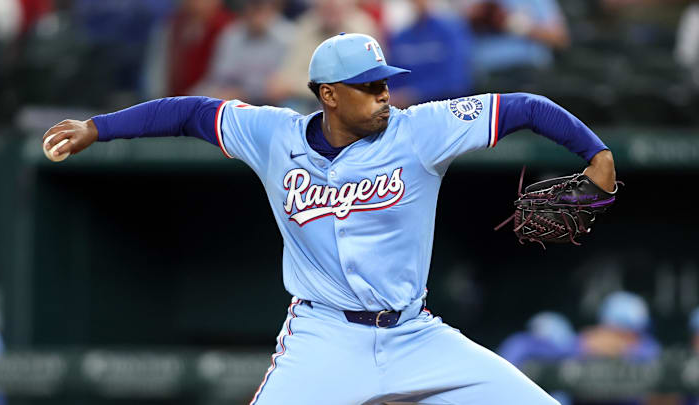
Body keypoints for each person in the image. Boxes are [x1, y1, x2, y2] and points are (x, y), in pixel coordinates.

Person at [42, 32, 616, 404]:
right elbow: (190, 113)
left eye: (385, 82)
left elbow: (524, 107)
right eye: (368, 87)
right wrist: (97, 128)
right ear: (329, 95)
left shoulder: (420, 131)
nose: (384, 95)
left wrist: (598, 155)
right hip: (324, 337)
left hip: (416, 334)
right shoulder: (273, 136)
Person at [191, 0, 293, 105]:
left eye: (263, 8)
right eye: (254, 7)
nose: (259, 15)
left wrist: (243, 93)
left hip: (268, 104)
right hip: (230, 98)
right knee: (194, 100)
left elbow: (278, 87)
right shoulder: (231, 34)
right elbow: (218, 76)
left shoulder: (287, 37)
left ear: (274, 8)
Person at [387, 0, 474, 107]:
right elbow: (393, 77)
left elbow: (456, 80)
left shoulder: (451, 31)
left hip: (446, 109)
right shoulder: (401, 37)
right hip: (407, 112)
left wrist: (414, 94)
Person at [578, 291, 661, 362]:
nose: (635, 337)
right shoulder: (585, 341)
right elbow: (570, 348)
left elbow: (652, 350)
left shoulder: (646, 346)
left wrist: (620, 350)